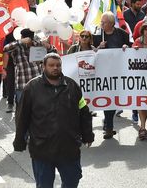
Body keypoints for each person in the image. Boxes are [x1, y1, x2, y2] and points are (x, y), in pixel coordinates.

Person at [14, 53, 94, 188]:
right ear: (43, 66)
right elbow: (22, 117)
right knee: (44, 185)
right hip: (42, 149)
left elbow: (84, 112)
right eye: (51, 65)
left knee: (72, 181)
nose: (55, 68)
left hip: (69, 148)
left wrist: (88, 135)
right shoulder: (32, 88)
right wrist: (19, 140)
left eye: (58, 65)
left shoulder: (72, 86)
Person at [92, 11, 130, 139]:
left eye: (104, 22)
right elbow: (90, 50)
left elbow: (130, 47)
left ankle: (108, 124)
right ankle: (108, 126)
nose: (101, 24)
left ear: (112, 24)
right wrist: (98, 47)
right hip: (102, 72)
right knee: (106, 96)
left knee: (113, 98)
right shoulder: (97, 35)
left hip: (117, 71)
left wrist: (126, 46)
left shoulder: (122, 34)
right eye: (101, 22)